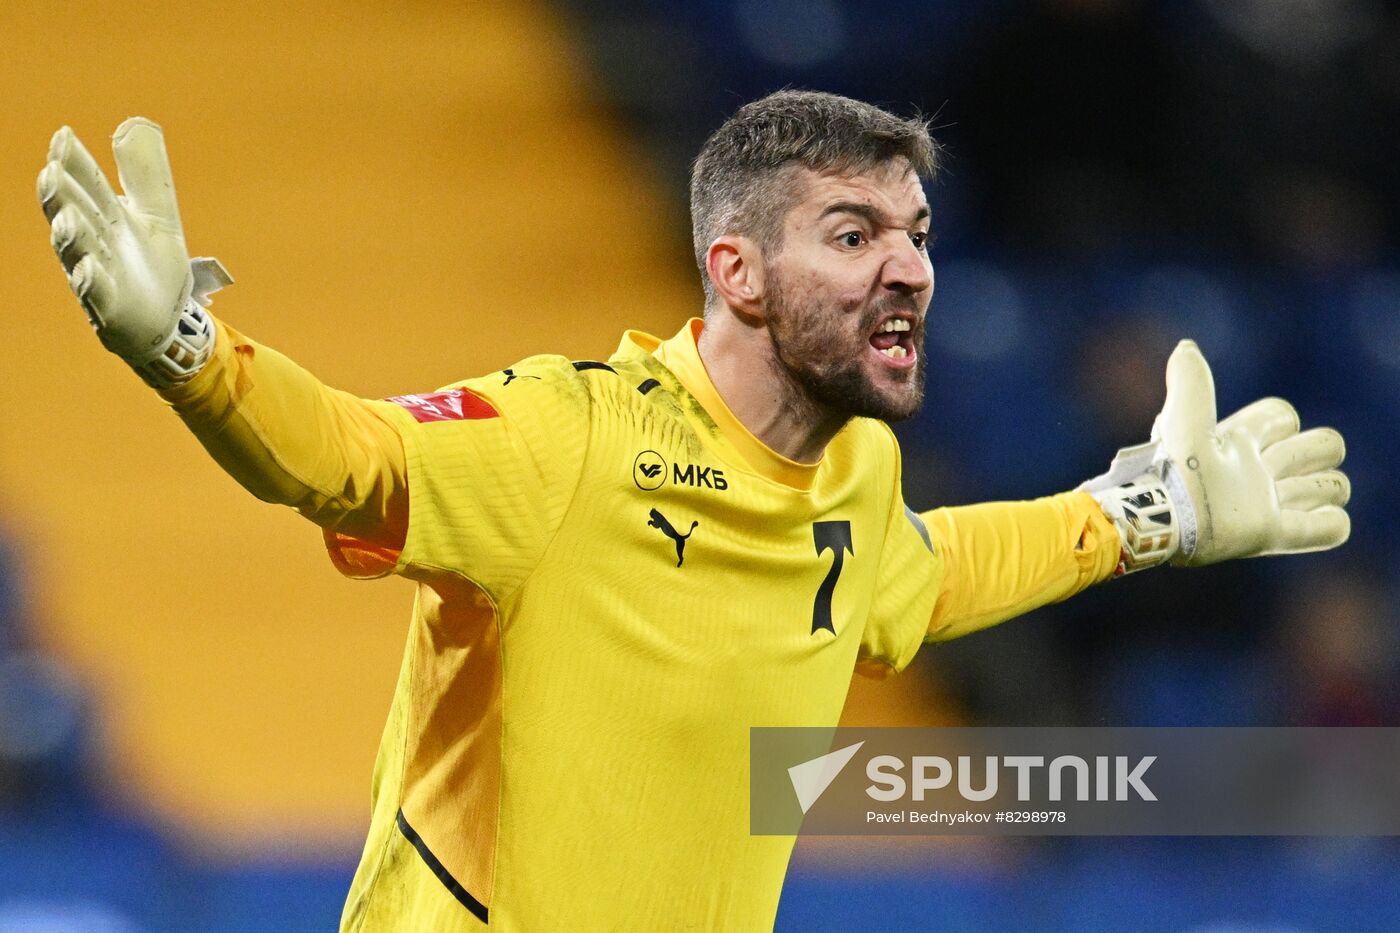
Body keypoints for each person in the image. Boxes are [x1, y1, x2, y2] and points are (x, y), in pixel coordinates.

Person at [36, 91, 1350, 931]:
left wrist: (1141, 512)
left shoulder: (854, 477)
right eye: (852, 233)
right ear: (739, 272)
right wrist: (189, 352)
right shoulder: (574, 436)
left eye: (919, 230)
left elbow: (915, 581)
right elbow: (352, 458)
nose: (908, 266)